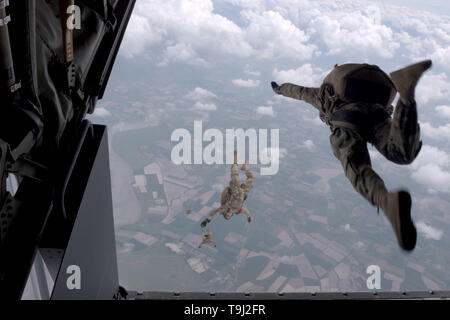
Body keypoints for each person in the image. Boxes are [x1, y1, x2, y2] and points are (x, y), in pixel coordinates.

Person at [271, 60, 433, 251]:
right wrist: (281, 89)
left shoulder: (318, 96)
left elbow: (297, 92)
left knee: (355, 162)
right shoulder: (329, 92)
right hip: (377, 109)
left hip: (348, 115)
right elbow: (297, 91)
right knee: (402, 153)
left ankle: (385, 200)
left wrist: (279, 89)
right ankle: (405, 98)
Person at [200, 150, 254, 228]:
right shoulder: (238, 211)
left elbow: (214, 213)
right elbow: (246, 212)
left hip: (235, 191)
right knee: (251, 178)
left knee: (234, 176)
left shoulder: (225, 208)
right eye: (229, 217)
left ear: (225, 214)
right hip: (243, 192)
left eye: (226, 216)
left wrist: (207, 221)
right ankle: (245, 168)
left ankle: (235, 163)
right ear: (231, 216)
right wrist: (249, 217)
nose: (228, 215)